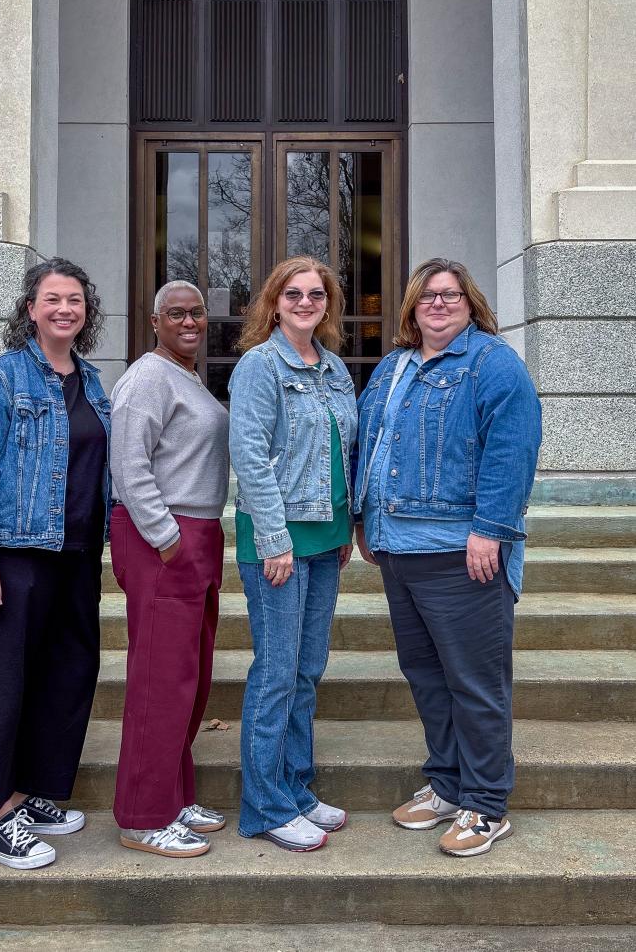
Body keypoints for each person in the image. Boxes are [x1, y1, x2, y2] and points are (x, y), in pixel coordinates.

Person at [353, 257, 541, 857]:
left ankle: (486, 804)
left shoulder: (492, 363)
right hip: (398, 548)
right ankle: (448, 781)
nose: (439, 304)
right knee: (428, 678)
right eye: (428, 296)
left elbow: (511, 449)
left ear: (471, 303)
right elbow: (371, 446)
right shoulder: (392, 368)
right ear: (411, 307)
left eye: (451, 295)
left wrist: (491, 529)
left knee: (476, 683)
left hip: (461, 553)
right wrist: (364, 518)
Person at [0, 257, 111, 869]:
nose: (65, 309)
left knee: (65, 676)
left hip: (75, 556)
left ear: (86, 312)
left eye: (75, 300)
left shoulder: (92, 382)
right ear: (31, 309)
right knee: (3, 683)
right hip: (12, 555)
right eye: (52, 299)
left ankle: (25, 795)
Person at [228, 256, 358, 852]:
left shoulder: (334, 371)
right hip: (277, 541)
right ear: (274, 303)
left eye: (316, 294)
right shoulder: (259, 367)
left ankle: (297, 788)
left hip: (326, 537)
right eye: (294, 293)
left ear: (327, 303)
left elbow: (344, 453)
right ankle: (266, 806)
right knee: (276, 673)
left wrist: (349, 525)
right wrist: (275, 540)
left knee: (307, 672)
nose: (306, 302)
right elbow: (250, 457)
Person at [109, 280, 230, 858]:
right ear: (154, 320)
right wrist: (166, 538)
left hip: (197, 534)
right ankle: (142, 814)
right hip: (165, 538)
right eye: (175, 313)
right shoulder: (146, 378)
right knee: (160, 681)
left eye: (197, 312)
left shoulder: (186, 379)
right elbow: (129, 466)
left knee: (190, 676)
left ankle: (175, 797)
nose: (189, 321)